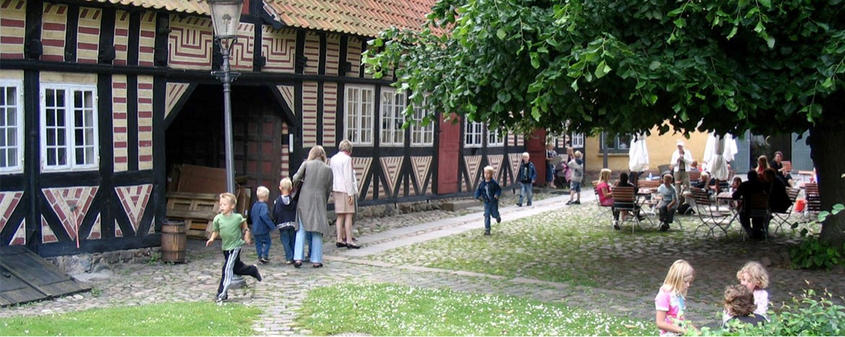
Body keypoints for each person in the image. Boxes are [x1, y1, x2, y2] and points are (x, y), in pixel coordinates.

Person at [206, 192, 262, 303]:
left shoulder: (237, 217)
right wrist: (212, 238)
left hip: (235, 247)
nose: (222, 207)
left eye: (224, 205)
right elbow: (216, 231)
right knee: (236, 268)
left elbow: (245, 225)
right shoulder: (218, 219)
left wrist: (246, 234)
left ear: (232, 206)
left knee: (226, 269)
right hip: (225, 248)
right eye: (221, 204)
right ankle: (252, 270)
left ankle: (221, 294)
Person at [292, 146, 333, 268]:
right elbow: (329, 188)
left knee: (301, 229)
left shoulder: (306, 164)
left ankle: (298, 258)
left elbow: (295, 178)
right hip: (319, 200)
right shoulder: (328, 169)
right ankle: (316, 260)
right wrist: (324, 200)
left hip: (304, 199)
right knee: (317, 231)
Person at [330, 140, 360, 249]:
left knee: (339, 216)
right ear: (349, 150)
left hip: (336, 189)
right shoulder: (347, 159)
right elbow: (348, 177)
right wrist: (350, 194)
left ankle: (339, 239)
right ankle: (349, 240)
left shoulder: (333, 158)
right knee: (348, 215)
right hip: (345, 190)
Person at [655, 259, 695, 336]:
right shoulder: (664, 295)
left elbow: (680, 318)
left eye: (690, 282)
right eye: (685, 281)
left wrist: (692, 328)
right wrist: (681, 330)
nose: (688, 285)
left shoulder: (678, 294)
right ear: (676, 278)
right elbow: (660, 323)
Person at [732, 170, 768, 240]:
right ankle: (757, 231)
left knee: (742, 215)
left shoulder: (744, 185)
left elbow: (735, 196)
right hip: (762, 210)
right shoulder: (762, 185)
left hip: (747, 210)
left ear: (748, 177)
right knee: (757, 218)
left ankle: (749, 231)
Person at [273, 178, 297, 265]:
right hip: (292, 224)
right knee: (293, 241)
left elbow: (276, 212)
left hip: (282, 225)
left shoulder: (278, 201)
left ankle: (289, 257)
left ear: (280, 187)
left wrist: (275, 221)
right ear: (291, 188)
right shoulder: (293, 200)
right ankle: (294, 256)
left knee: (285, 242)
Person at [250, 186, 276, 264]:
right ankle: (264, 256)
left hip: (255, 229)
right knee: (267, 242)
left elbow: (252, 215)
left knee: (258, 243)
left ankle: (259, 256)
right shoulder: (264, 206)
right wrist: (271, 225)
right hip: (262, 229)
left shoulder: (255, 205)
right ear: (265, 196)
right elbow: (264, 215)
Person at [474, 166, 502, 236]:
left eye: (488, 173)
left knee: (494, 214)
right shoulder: (482, 183)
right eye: (485, 173)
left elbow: (498, 189)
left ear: (491, 174)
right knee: (487, 215)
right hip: (486, 202)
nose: (486, 175)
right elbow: (479, 190)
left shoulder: (494, 183)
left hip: (493, 202)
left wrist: (496, 194)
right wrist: (477, 195)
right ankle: (487, 230)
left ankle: (497, 216)